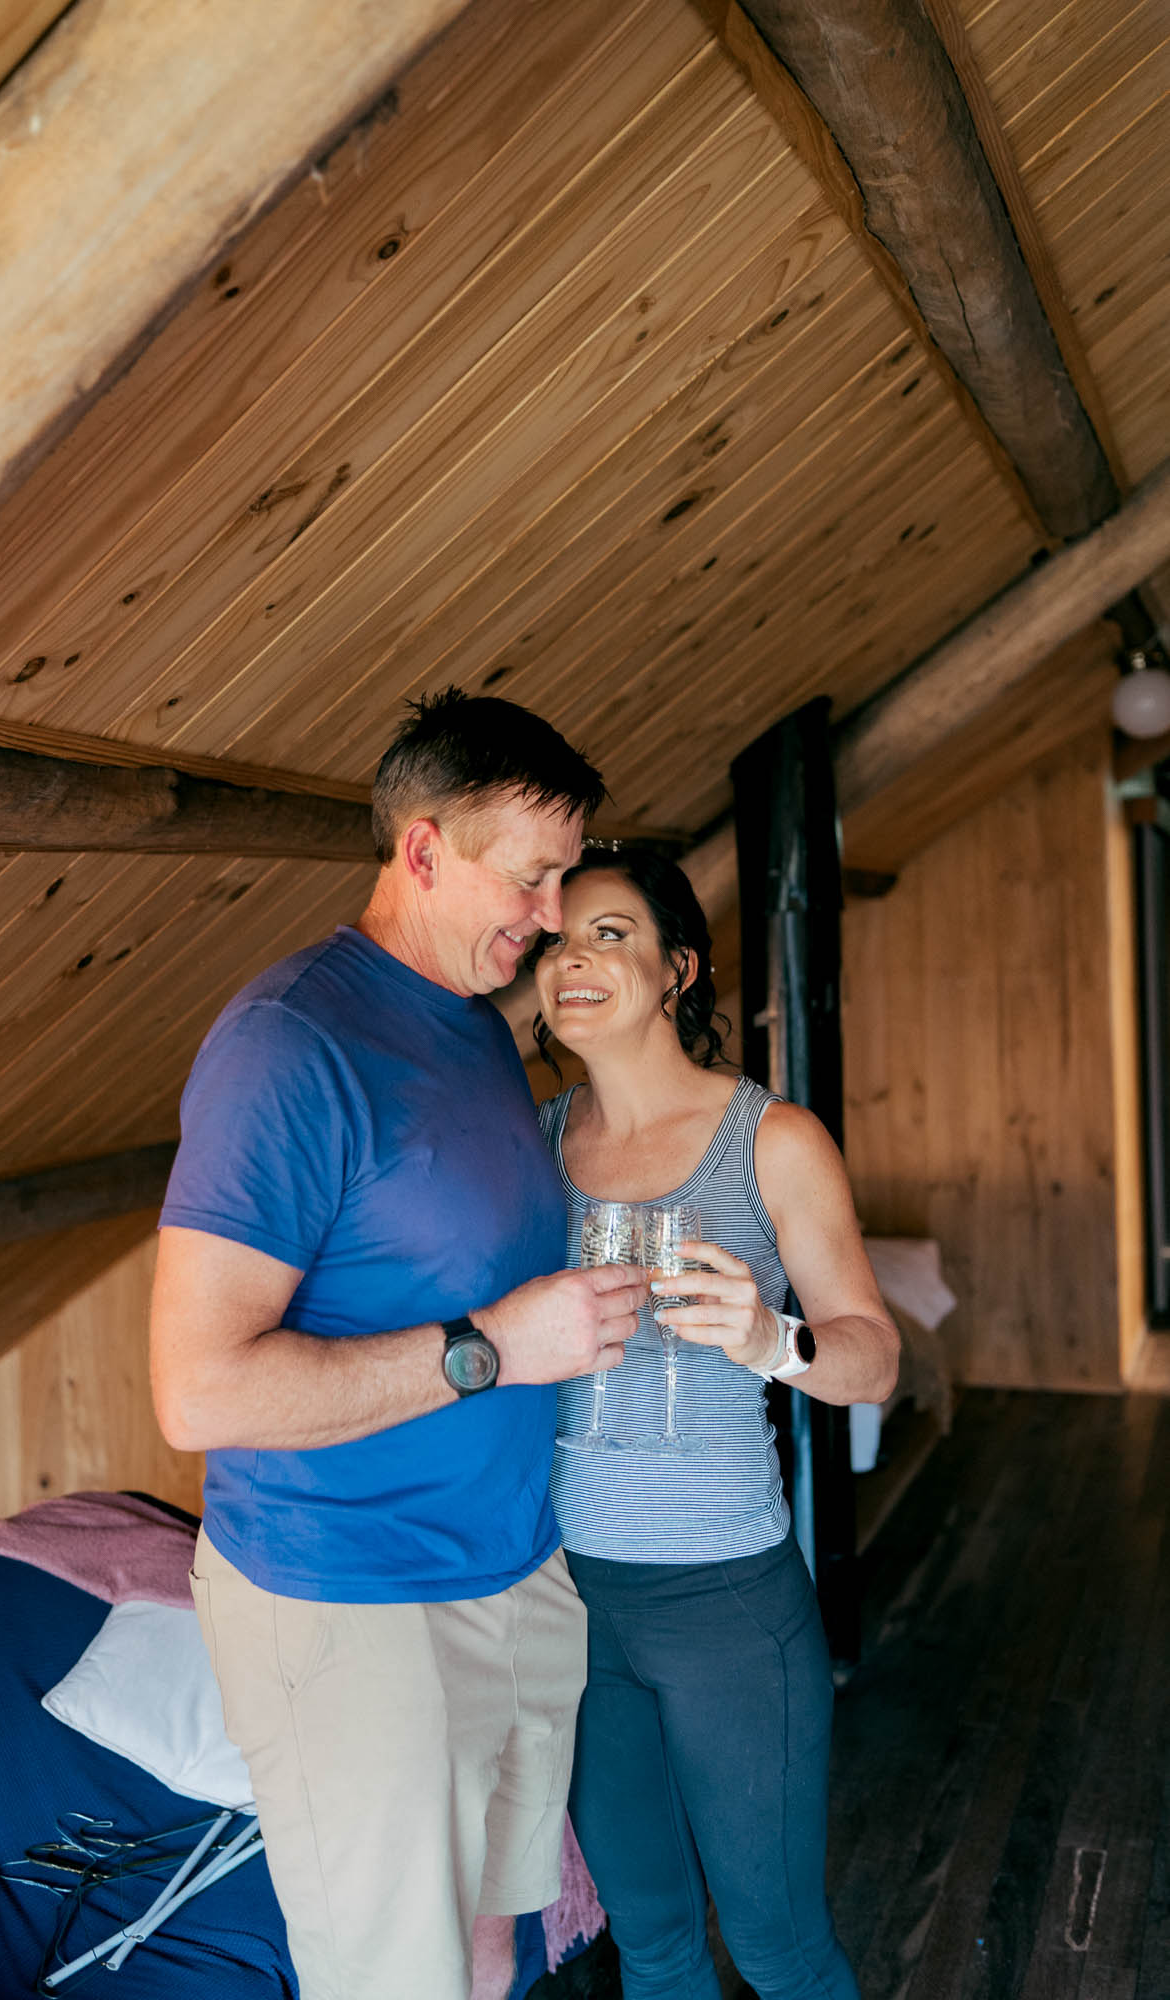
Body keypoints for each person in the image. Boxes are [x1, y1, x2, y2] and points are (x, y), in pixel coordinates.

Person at [148, 690, 646, 2000]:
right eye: (529, 877)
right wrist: (490, 1348)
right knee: (397, 1979)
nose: (548, 915)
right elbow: (197, 1392)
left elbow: (448, 1262)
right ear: (423, 850)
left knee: (493, 1947)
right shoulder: (289, 1048)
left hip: (507, 1569)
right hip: (350, 1602)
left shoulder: (475, 1025)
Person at [530, 845, 900, 2000]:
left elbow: (873, 1357)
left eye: (608, 933)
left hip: (725, 1598)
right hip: (568, 1602)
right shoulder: (532, 1140)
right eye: (552, 938)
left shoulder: (772, 1139)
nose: (571, 959)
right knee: (649, 1942)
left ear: (678, 966)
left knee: (779, 1948)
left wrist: (769, 1341)